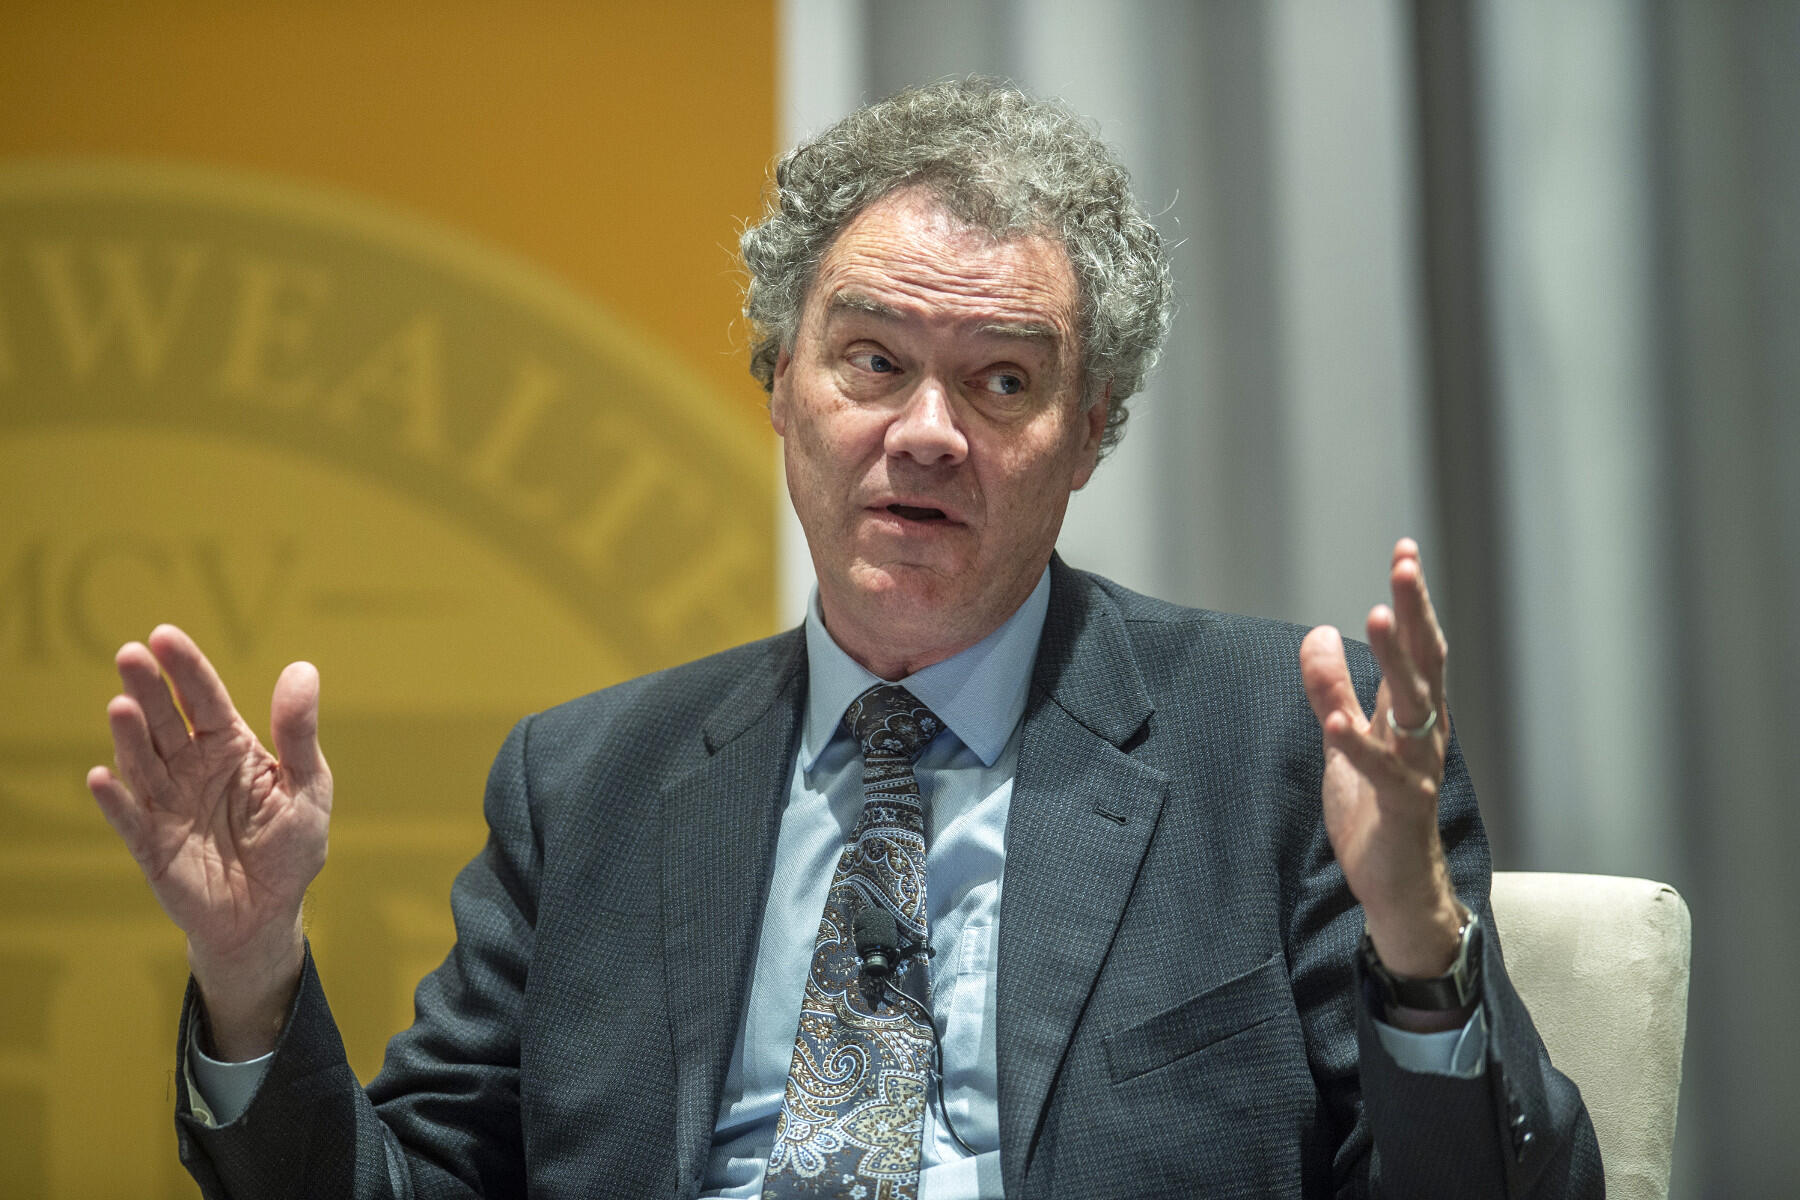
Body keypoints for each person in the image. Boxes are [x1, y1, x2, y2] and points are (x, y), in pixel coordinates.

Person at [88, 79, 1601, 1198]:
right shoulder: (587, 783)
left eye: (1003, 383)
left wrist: (1419, 946)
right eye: (872, 359)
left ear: (1090, 438)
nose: (927, 433)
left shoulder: (1275, 745)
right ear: (778, 384)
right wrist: (249, 967)